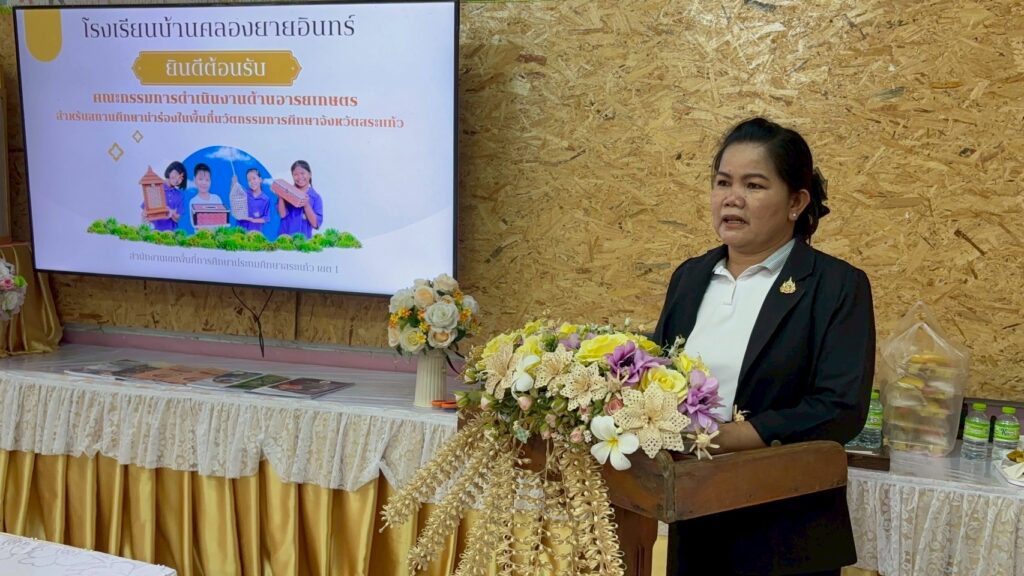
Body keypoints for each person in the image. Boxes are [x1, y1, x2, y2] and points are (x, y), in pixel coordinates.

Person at [653, 117, 875, 576]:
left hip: (787, 531)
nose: (732, 198)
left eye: (753, 185)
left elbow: (840, 408)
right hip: (696, 516)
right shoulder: (691, 277)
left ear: (796, 202)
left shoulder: (836, 285)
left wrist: (724, 438)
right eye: (723, 182)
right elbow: (657, 375)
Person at [277, 160, 323, 239]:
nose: (299, 177)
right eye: (295, 174)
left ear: (310, 174)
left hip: (304, 240)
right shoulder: (287, 192)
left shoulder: (315, 197)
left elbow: (315, 224)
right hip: (285, 239)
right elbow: (282, 214)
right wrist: (281, 195)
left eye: (302, 173)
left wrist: (306, 206)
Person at [143, 161, 186, 231]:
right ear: (169, 171)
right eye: (176, 174)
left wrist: (171, 212)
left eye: (181, 177)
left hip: (172, 232)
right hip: (154, 231)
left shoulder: (180, 195)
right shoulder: (155, 188)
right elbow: (144, 212)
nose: (177, 178)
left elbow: (179, 219)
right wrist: (145, 216)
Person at [187, 163, 226, 230]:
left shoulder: (216, 198)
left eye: (207, 180)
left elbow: (223, 220)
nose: (204, 183)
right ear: (194, 180)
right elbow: (195, 225)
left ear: (210, 181)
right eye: (200, 179)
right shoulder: (193, 201)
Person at [237, 168, 271, 233]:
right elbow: (236, 207)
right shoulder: (244, 194)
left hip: (255, 232)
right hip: (241, 230)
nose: (252, 182)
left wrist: (253, 220)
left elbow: (266, 218)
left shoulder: (265, 199)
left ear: (260, 179)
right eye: (249, 180)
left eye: (254, 178)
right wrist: (233, 183)